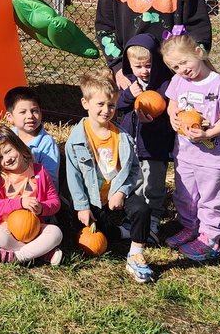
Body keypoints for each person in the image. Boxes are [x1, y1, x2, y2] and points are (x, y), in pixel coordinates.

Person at [64, 69, 155, 284]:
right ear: (85, 103)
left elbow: (133, 170)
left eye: (111, 105)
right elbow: (74, 176)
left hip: (116, 192)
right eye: (100, 104)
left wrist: (122, 192)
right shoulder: (76, 140)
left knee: (142, 209)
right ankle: (119, 232)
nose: (106, 110)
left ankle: (135, 254)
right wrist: (82, 206)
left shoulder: (122, 137)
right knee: (94, 236)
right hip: (93, 197)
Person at [161, 33, 220, 263]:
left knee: (209, 199)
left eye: (184, 62)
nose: (182, 69)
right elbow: (172, 103)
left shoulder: (219, 84)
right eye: (175, 66)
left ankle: (210, 239)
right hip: (185, 154)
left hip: (213, 158)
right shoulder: (179, 81)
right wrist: (172, 115)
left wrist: (208, 133)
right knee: (184, 195)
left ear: (198, 53)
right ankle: (190, 227)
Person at [115, 34, 173, 243]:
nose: (144, 71)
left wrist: (153, 121)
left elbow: (168, 114)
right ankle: (134, 220)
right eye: (138, 66)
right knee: (134, 181)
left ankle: (154, 220)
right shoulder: (130, 82)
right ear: (129, 65)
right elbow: (118, 105)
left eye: (148, 65)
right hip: (130, 144)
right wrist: (130, 94)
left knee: (153, 184)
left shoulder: (165, 85)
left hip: (155, 147)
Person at [0, 126, 63, 266]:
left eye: (8, 151)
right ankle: (41, 253)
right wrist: (20, 203)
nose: (7, 159)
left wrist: (42, 208)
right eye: (0, 157)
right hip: (7, 227)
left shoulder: (39, 171)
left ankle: (16, 256)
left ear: (18, 145)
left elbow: (55, 202)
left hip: (34, 229)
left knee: (55, 233)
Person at [4, 86, 60, 188]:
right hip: (10, 191)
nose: (30, 115)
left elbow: (50, 180)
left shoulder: (46, 144)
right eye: (23, 112)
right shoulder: (7, 137)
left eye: (34, 110)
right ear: (10, 117)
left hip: (36, 195)